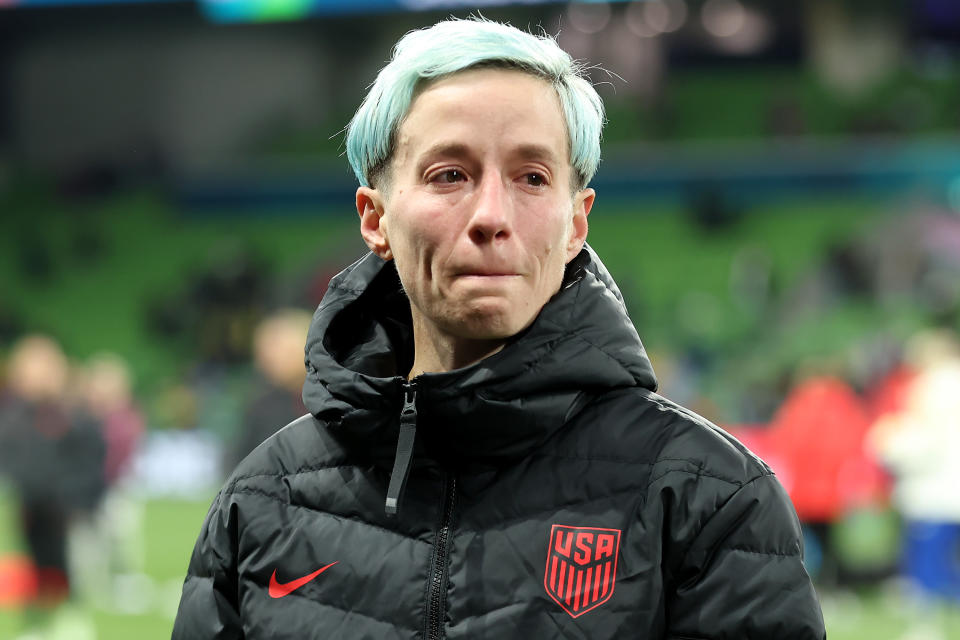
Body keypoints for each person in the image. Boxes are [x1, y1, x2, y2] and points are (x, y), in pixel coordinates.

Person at [173, 17, 825, 638]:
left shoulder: (707, 498)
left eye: (532, 177)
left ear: (577, 223)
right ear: (375, 219)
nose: (491, 214)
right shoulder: (262, 503)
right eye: (449, 174)